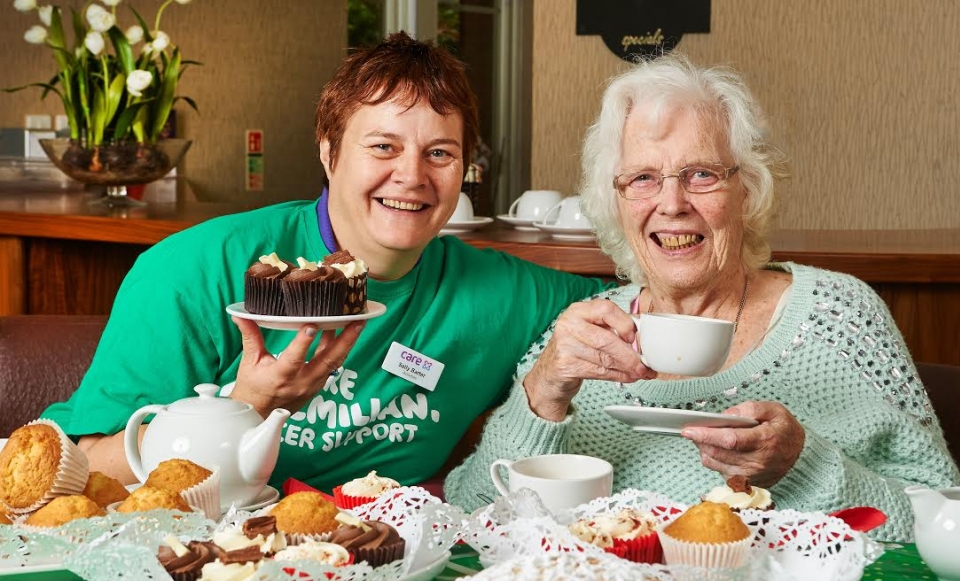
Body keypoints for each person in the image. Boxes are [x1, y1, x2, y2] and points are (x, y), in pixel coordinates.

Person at [41, 32, 605, 492]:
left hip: (386, 568)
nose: (412, 175)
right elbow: (87, 469)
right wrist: (250, 404)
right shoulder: (192, 270)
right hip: (199, 560)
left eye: (440, 153)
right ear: (329, 152)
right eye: (383, 146)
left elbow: (636, 313)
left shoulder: (500, 294)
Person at [444, 53, 960, 541]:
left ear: (748, 190)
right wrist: (543, 394)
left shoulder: (838, 315)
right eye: (643, 178)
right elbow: (470, 518)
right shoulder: (584, 339)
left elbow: (944, 520)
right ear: (615, 200)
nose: (672, 204)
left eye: (701, 175)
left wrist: (802, 467)